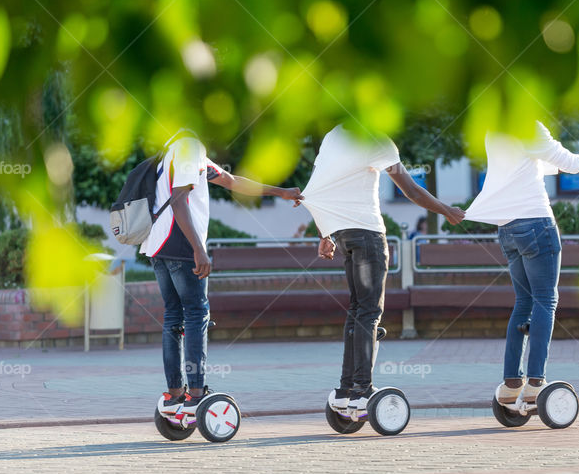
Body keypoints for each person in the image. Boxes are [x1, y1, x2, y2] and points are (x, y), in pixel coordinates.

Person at [298, 124, 465, 414]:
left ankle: (345, 390)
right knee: (369, 312)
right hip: (368, 235)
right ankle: (363, 390)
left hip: (344, 235)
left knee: (357, 310)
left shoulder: (334, 135)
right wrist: (448, 211)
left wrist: (325, 234)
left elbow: (318, 189)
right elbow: (411, 190)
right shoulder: (377, 138)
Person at [141, 129, 303, 416]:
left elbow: (231, 181)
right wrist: (198, 249)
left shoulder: (174, 148)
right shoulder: (189, 147)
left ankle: (174, 394)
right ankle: (197, 393)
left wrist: (281, 192)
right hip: (179, 245)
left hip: (157, 247)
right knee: (195, 314)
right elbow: (179, 200)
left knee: (173, 317)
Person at [464, 121, 579, 406]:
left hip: (508, 228)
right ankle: (536, 382)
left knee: (523, 302)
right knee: (545, 300)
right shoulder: (531, 126)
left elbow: (544, 164)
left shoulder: (494, 128)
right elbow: (567, 162)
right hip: (536, 223)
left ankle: (512, 383)